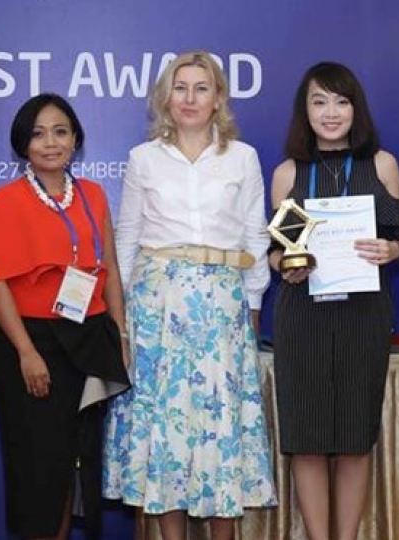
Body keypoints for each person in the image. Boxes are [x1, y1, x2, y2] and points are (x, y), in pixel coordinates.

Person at [102, 50, 277, 540]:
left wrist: (254, 303)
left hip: (223, 306)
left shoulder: (242, 157)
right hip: (157, 309)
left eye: (201, 88)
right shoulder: (144, 159)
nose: (190, 98)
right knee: (168, 430)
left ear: (218, 97)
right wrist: (123, 320)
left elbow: (255, 235)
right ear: (166, 97)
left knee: (221, 429)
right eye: (180, 88)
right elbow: (127, 238)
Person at [0, 93, 130, 540]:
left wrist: (120, 333)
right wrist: (26, 352)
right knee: (38, 470)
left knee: (74, 464)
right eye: (38, 134)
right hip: (32, 344)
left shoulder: (93, 195)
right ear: (23, 144)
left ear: (75, 140)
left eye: (60, 132)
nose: (50, 143)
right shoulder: (3, 202)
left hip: (87, 341)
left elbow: (109, 269)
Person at [269, 61, 399, 540]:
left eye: (341, 101)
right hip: (303, 317)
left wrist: (391, 251)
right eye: (319, 101)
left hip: (363, 315)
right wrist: (287, 266)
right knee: (306, 440)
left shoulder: (382, 165)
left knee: (354, 438)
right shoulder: (288, 173)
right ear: (304, 111)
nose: (331, 112)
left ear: (356, 109)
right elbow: (276, 252)